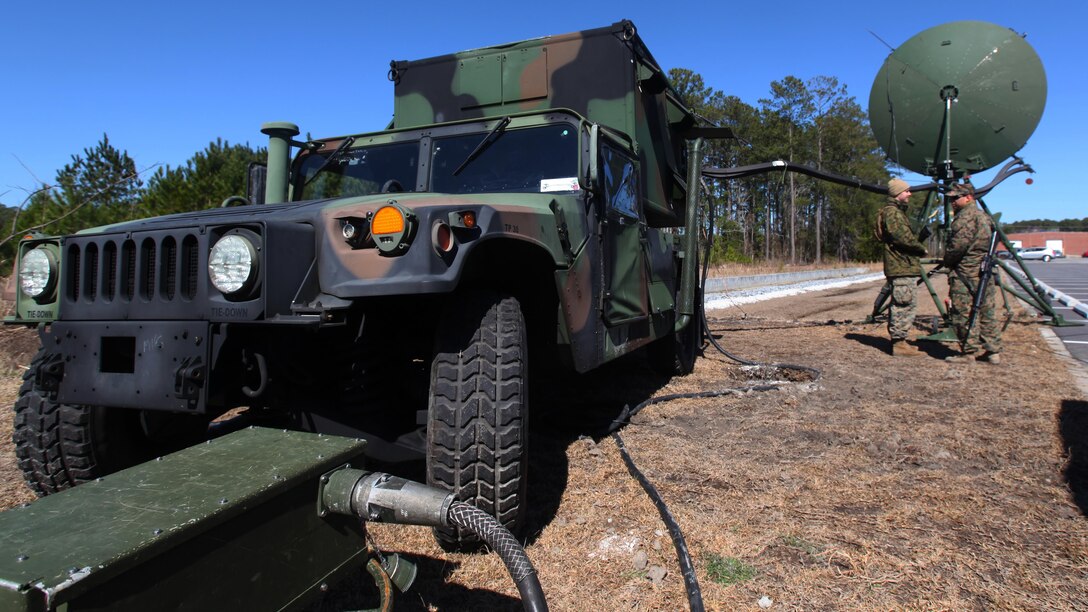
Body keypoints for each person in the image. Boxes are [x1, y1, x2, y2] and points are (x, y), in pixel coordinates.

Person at [942, 181, 1002, 364]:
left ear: (968, 197)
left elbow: (958, 246)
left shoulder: (965, 218)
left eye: (956, 197)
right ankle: (993, 351)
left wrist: (947, 260)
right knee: (987, 311)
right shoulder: (985, 217)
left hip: (965, 272)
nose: (952, 201)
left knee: (962, 313)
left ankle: (969, 352)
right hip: (983, 272)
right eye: (951, 198)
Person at [875, 178, 927, 356]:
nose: (910, 194)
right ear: (898, 193)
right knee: (903, 304)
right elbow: (901, 238)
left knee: (906, 303)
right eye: (907, 191)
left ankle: (901, 341)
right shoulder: (893, 213)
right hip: (901, 265)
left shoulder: (895, 212)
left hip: (903, 265)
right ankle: (899, 344)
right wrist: (921, 249)